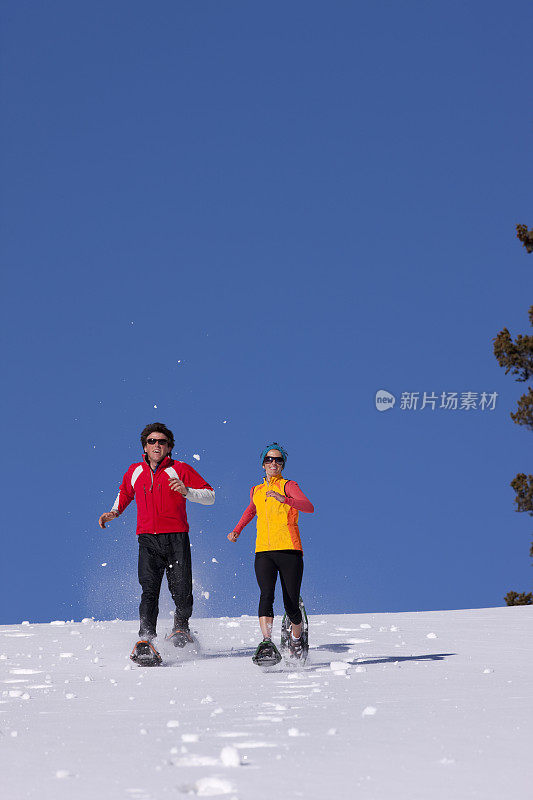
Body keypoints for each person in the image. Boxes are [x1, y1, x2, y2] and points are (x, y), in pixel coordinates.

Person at [98, 422, 215, 660]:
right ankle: (146, 640)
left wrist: (187, 492)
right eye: (152, 441)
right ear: (145, 446)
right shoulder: (135, 471)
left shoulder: (179, 469)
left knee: (181, 589)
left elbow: (210, 496)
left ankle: (181, 627)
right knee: (149, 590)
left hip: (176, 537)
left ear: (169, 446)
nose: (157, 445)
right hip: (147, 539)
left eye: (162, 441)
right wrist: (114, 512)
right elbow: (124, 493)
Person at [227, 443, 314, 663]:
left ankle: (296, 638)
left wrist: (286, 499)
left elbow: (308, 506)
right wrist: (237, 530)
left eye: (278, 460)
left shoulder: (288, 485)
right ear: (263, 463)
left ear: (282, 464)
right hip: (263, 551)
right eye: (269, 459)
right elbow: (251, 510)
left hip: (289, 549)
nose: (273, 463)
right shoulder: (256, 490)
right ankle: (266, 641)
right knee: (266, 594)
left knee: (290, 603)